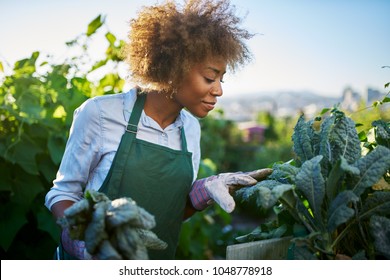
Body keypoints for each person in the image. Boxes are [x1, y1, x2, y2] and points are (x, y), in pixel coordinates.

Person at [45, 0, 271, 260]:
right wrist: (83, 242)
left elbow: (169, 215)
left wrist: (202, 194)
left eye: (222, 79)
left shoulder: (191, 130)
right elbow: (62, 194)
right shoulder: (101, 114)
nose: (219, 90)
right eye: (210, 78)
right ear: (174, 68)